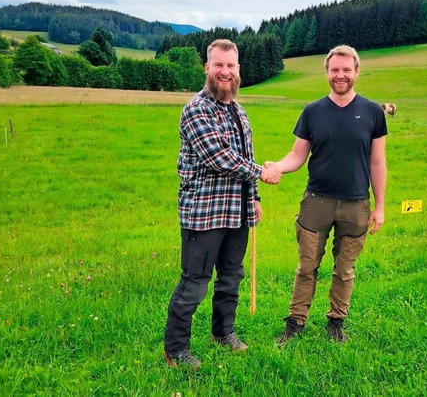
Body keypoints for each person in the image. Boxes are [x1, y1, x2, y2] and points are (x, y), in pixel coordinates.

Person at [163, 39, 281, 370]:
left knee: (231, 276)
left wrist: (254, 195)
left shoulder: (239, 112)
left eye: (231, 66)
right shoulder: (196, 109)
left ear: (238, 70)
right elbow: (219, 157)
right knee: (195, 282)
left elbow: (246, 157)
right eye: (219, 65)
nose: (225, 72)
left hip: (236, 212)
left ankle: (223, 333)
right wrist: (262, 172)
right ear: (207, 68)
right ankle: (176, 350)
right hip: (203, 214)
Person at [268, 45, 387, 346]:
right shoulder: (312, 111)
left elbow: (377, 162)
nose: (341, 75)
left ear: (357, 72)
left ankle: (336, 321)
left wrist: (380, 206)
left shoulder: (373, 112)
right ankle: (295, 322)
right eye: (335, 70)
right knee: (306, 266)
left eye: (347, 69)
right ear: (327, 72)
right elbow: (297, 156)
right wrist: (276, 167)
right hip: (316, 202)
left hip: (356, 204)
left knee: (344, 269)